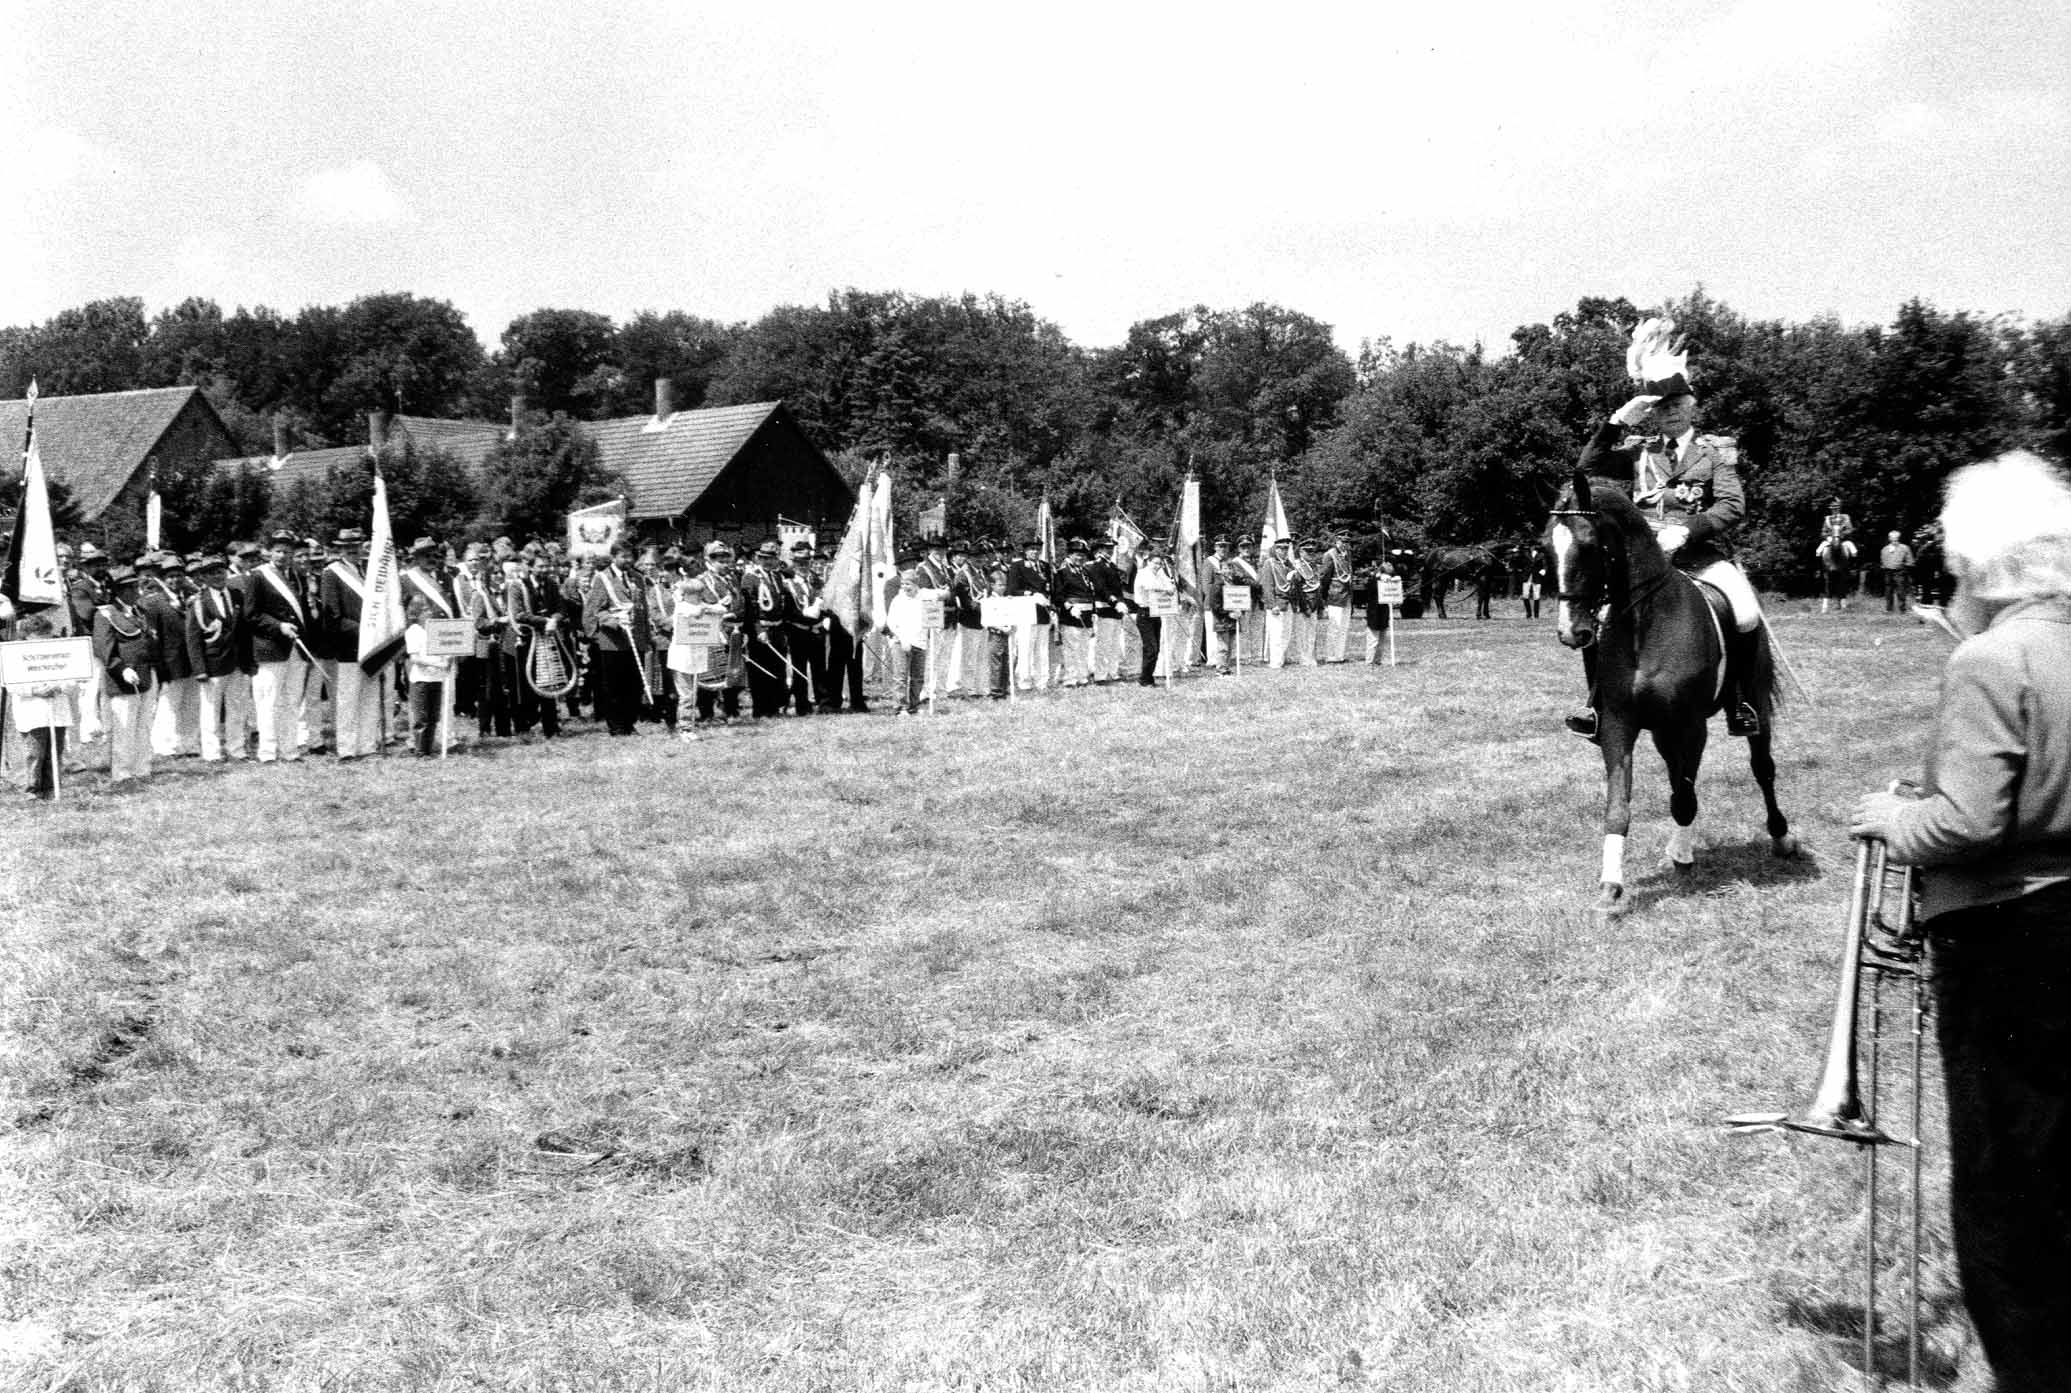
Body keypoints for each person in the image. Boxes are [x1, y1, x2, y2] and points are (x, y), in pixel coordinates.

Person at [1848, 451, 2071, 1392]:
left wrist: (1889, 816)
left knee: (2001, 1190)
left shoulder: (1990, 657)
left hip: (2010, 943)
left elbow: (1967, 823)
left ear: (1983, 565)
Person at [1568, 316, 1764, 739]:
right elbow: (1586, 467)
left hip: (1697, 556)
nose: (1670, 413)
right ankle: (1596, 705)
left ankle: (1740, 701)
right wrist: (1619, 419)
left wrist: (1689, 530)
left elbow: (1733, 505)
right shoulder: (1639, 450)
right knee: (1598, 616)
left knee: (1746, 613)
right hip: (1641, 562)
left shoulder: (1715, 452)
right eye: (1661, 407)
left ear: (1691, 406)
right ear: (1652, 414)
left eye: (1677, 405)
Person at [245, 530, 312, 763]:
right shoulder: (258, 576)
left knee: (292, 700)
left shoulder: (296, 576)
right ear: (269, 552)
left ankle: (290, 750)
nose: (283, 556)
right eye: (279, 551)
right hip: (271, 646)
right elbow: (251, 614)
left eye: (288, 551)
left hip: (296, 646)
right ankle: (268, 752)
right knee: (268, 702)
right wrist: (278, 626)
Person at [93, 565, 160, 786]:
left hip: (146, 674)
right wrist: (122, 669)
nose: (136, 591)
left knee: (144, 724)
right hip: (124, 678)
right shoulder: (106, 614)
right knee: (124, 726)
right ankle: (121, 772)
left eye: (136, 587)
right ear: (119, 591)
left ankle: (142, 768)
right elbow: (104, 649)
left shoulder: (139, 611)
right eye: (131, 588)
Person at [583, 540, 652, 736]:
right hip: (613, 641)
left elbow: (643, 610)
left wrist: (646, 637)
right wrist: (613, 621)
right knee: (615, 685)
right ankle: (616, 726)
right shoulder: (602, 579)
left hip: (636, 638)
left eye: (631, 556)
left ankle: (630, 723)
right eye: (624, 556)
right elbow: (594, 610)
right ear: (614, 557)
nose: (628, 560)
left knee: (634, 684)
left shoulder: (637, 578)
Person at [6, 607, 73, 798]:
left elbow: (73, 677)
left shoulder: (59, 652)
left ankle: (51, 787)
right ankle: (32, 788)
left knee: (55, 751)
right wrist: (35, 690)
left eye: (46, 634)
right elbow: (12, 685)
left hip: (57, 708)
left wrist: (58, 687)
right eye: (39, 635)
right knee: (34, 752)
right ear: (27, 636)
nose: (44, 638)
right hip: (32, 711)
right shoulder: (16, 655)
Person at [1053, 539, 1098, 686]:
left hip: (1086, 614)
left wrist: (1094, 612)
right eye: (1077, 555)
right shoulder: (1062, 573)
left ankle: (1082, 676)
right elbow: (1058, 595)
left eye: (1083, 555)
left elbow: (1091, 593)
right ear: (1070, 555)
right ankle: (1070, 678)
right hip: (1071, 615)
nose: (1080, 558)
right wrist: (1070, 607)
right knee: (1071, 648)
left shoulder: (1085, 572)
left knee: (1084, 648)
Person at [1132, 539, 1176, 686]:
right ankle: (1144, 679)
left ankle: (1148, 678)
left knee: (1155, 648)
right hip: (1144, 613)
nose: (1158, 566)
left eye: (1160, 563)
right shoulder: (1142, 573)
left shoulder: (1161, 573)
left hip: (1157, 612)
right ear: (1148, 561)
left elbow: (1171, 587)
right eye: (1155, 563)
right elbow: (1150, 587)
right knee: (1151, 648)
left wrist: (1167, 588)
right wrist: (1165, 589)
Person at [884, 568, 929, 715]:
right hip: (901, 643)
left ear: (916, 584)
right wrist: (903, 639)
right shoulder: (898, 600)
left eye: (908, 584)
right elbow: (891, 623)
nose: (905, 587)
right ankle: (900, 707)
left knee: (918, 677)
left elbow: (931, 614)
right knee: (901, 676)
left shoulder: (923, 598)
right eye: (903, 584)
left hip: (920, 642)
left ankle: (914, 705)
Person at [1315, 535, 1354, 660]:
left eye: (1347, 542)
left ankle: (1339, 655)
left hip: (1347, 595)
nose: (1345, 544)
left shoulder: (1347, 555)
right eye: (1343, 541)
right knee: (1335, 627)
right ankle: (1331, 655)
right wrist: (1324, 596)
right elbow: (1324, 577)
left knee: (1344, 627)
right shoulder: (1330, 555)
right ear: (1337, 541)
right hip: (1335, 595)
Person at [1261, 536, 1296, 667]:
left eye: (1286, 548)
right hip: (1277, 602)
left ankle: (1282, 658)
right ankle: (1275, 662)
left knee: (1286, 633)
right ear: (1275, 549)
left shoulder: (1288, 564)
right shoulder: (1269, 563)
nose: (1284, 551)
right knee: (1276, 634)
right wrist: (1272, 604)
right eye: (1281, 548)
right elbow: (1267, 586)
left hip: (1289, 602)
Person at [1880, 529, 1916, 613]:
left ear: (1899, 538)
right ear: (1889, 538)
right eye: (1892, 537)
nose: (1894, 539)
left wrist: (1904, 568)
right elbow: (1882, 562)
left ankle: (1902, 609)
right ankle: (1889, 609)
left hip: (1900, 572)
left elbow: (1910, 561)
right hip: (1888, 572)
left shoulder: (1905, 548)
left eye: (1896, 537)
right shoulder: (1884, 549)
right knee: (1888, 591)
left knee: (1901, 591)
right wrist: (1885, 567)